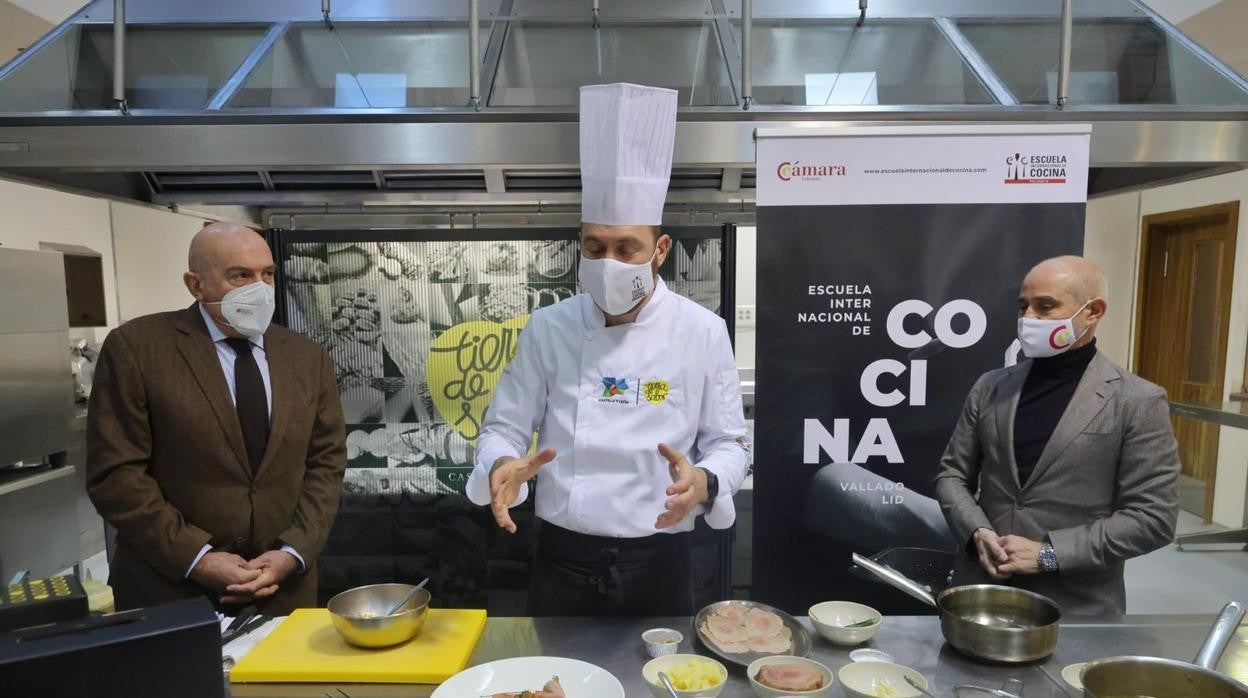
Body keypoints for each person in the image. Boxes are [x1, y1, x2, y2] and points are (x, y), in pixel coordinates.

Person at [465, 83, 750, 616]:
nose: (609, 262)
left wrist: (706, 481)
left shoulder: (702, 331)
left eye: (627, 248)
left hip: (663, 556)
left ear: (660, 250)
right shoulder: (548, 329)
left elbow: (731, 444)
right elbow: (502, 428)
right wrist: (502, 462)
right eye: (595, 247)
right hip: (561, 555)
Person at [87, 223, 347, 615]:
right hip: (171, 592)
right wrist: (198, 558)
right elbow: (116, 474)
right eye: (240, 275)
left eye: (268, 274)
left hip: (282, 593)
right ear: (196, 285)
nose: (259, 288)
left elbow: (326, 463)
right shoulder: (138, 350)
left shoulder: (306, 357)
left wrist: (293, 551)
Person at [934, 255, 1179, 615]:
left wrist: (1049, 555)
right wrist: (976, 533)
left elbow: (1153, 518)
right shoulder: (991, 388)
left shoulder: (1137, 400)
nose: (1028, 319)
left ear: (1092, 312)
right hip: (981, 596)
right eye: (1023, 306)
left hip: (1075, 607)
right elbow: (952, 475)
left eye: (1045, 306)